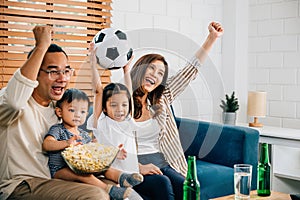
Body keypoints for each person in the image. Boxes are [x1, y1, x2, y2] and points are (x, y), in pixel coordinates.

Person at [0, 26, 110, 200]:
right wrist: (41, 47)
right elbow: (13, 101)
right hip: (21, 185)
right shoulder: (13, 104)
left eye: (66, 71)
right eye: (53, 71)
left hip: (53, 180)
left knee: (112, 186)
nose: (63, 78)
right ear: (35, 73)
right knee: (96, 195)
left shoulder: (58, 109)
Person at [130, 22, 224, 200]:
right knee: (163, 184)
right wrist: (136, 166)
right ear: (141, 68)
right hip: (138, 166)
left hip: (166, 163)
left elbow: (190, 71)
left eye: (160, 73)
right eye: (152, 68)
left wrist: (211, 39)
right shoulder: (121, 101)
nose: (155, 75)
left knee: (188, 188)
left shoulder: (162, 98)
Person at [87, 44, 176, 199]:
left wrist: (127, 70)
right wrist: (93, 64)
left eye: (124, 105)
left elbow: (128, 93)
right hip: (113, 175)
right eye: (113, 105)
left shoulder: (128, 121)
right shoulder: (101, 122)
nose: (120, 109)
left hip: (132, 174)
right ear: (105, 109)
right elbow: (98, 90)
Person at [42, 88, 143, 200]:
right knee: (82, 174)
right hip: (61, 170)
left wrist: (114, 153)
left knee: (105, 168)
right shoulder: (58, 129)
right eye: (72, 110)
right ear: (59, 112)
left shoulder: (84, 135)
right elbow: (47, 144)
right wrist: (66, 142)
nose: (77, 115)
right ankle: (110, 190)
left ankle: (122, 177)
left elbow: (95, 154)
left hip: (83, 167)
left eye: (82, 112)